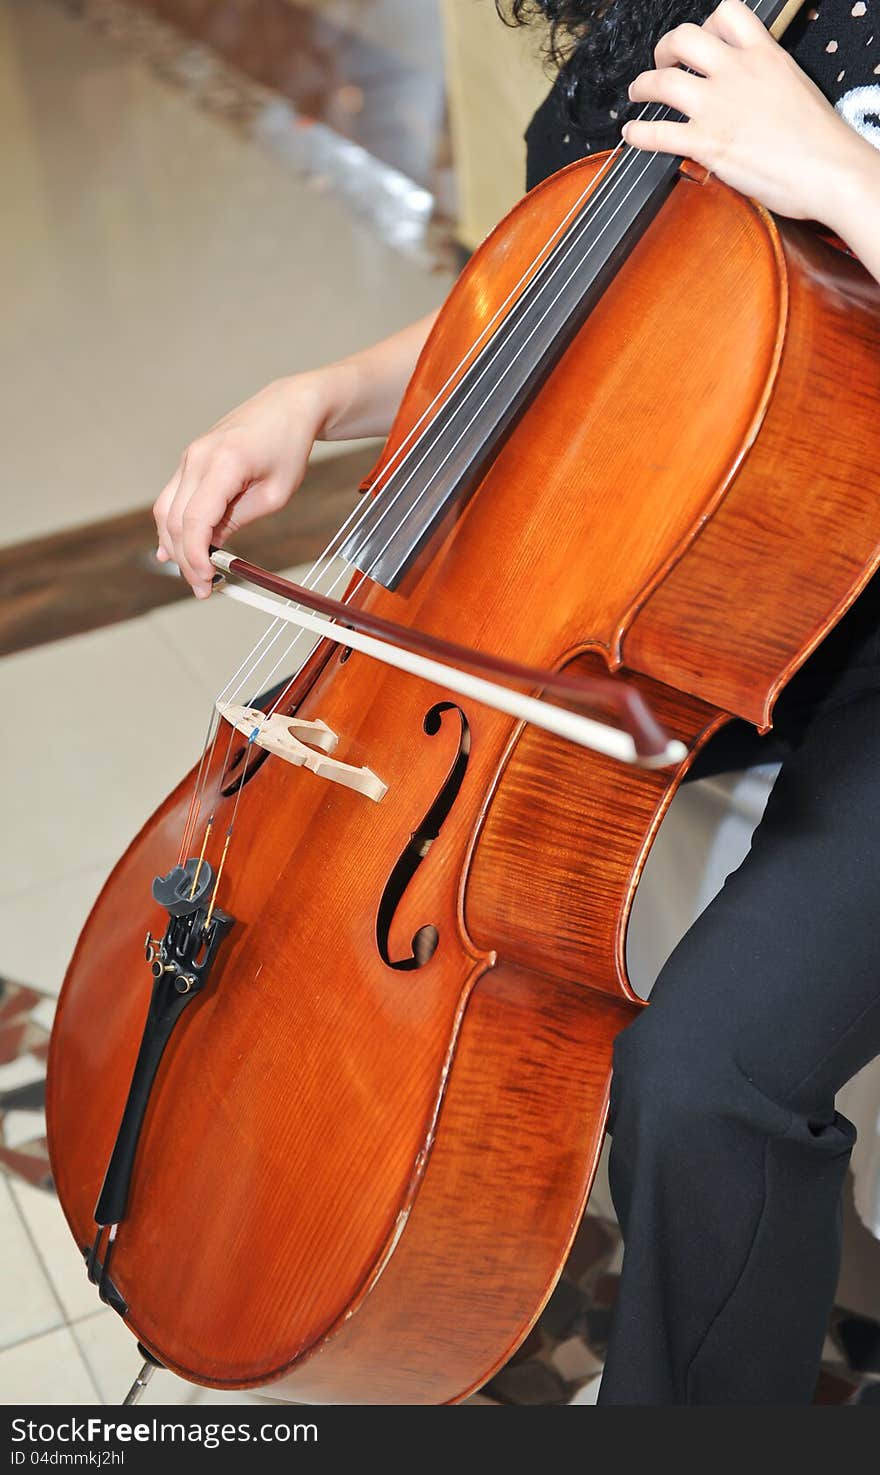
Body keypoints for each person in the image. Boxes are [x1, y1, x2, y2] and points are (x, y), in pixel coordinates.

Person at [153, 1, 880, 1403]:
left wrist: (842, 180)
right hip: (705, 575)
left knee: (707, 1081)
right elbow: (566, 282)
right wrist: (319, 396)